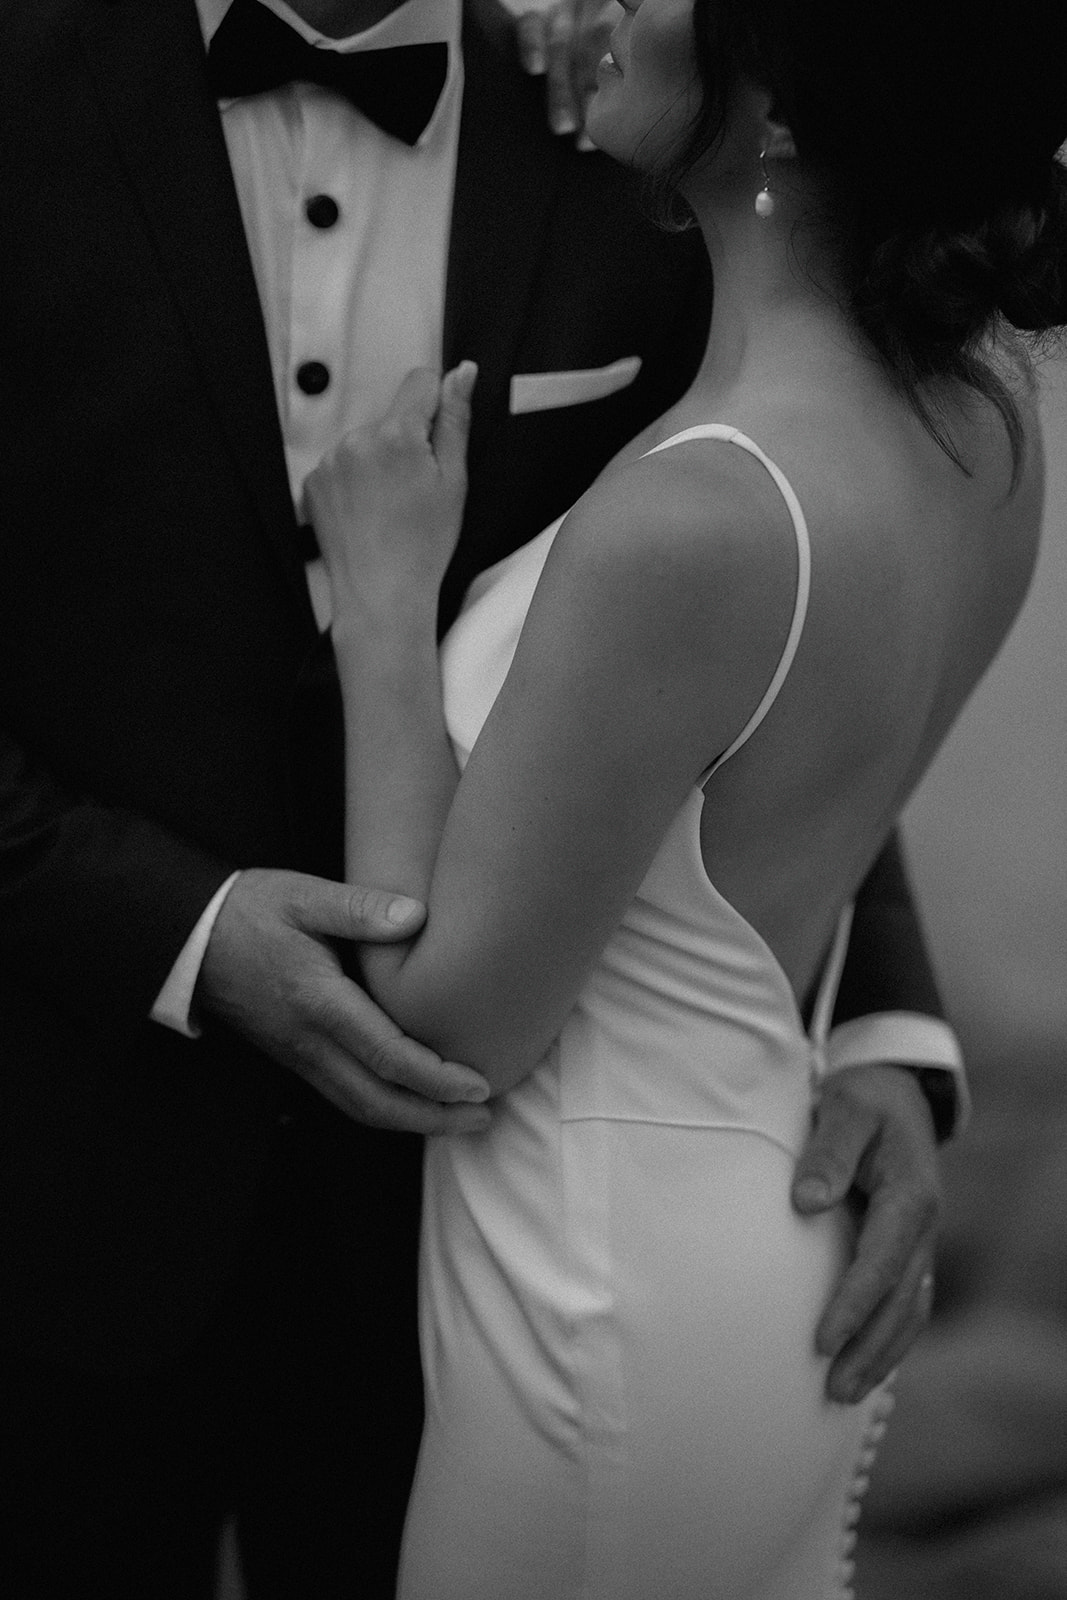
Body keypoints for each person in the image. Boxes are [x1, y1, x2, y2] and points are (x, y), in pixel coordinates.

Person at [0, 0, 962, 1594]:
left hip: (486, 1247)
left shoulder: (653, 129)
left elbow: (764, 616)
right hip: (63, 1177)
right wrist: (177, 928)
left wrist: (882, 1033)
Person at [303, 0, 1066, 1592]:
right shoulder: (986, 436)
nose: (602, 3)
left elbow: (444, 1027)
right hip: (750, 1228)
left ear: (778, 100)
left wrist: (386, 614)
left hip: (598, 1285)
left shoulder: (690, 521)